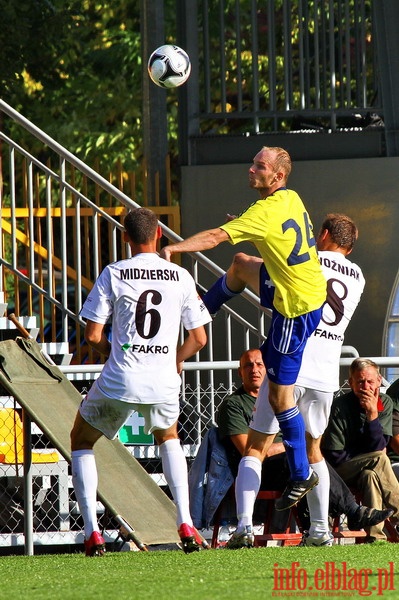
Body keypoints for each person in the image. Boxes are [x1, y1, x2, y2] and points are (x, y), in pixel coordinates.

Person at [161, 146, 327, 513]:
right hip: (306, 287)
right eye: (252, 161)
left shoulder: (265, 212)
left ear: (278, 176)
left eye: (259, 166)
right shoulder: (288, 197)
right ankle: (202, 315)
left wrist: (174, 248)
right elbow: (266, 233)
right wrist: (248, 226)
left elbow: (213, 238)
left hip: (295, 309)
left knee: (279, 398)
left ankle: (301, 473)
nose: (251, 169)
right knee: (240, 264)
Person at [202, 214, 367, 548]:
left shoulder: (307, 261)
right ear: (352, 243)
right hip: (325, 374)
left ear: (322, 235)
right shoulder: (359, 277)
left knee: (256, 446)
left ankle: (245, 527)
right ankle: (320, 530)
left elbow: (265, 264)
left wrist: (255, 236)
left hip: (289, 366)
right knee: (313, 450)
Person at [70, 207, 212, 556]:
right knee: (168, 436)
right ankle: (185, 522)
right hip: (163, 378)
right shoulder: (180, 277)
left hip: (122, 376)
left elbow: (92, 334)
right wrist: (175, 360)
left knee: (81, 440)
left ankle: (91, 532)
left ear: (125, 237)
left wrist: (113, 351)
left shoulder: (114, 273)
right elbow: (199, 338)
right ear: (160, 233)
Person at [215, 349, 391, 535]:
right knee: (304, 456)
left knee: (311, 458)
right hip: (260, 471)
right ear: (240, 372)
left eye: (260, 364)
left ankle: (324, 525)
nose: (255, 370)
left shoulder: (283, 398)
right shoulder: (233, 404)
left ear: (269, 369)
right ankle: (349, 514)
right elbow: (251, 450)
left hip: (290, 465)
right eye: (248, 365)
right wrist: (294, 443)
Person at [321, 358, 399, 542]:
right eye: (360, 382)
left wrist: (372, 415)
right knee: (379, 459)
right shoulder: (339, 406)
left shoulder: (385, 402)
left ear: (379, 381)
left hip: (367, 465)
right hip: (339, 471)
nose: (365, 386)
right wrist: (364, 454)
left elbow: (379, 444)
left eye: (370, 381)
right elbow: (335, 454)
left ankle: (374, 537)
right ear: (351, 383)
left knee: (370, 475)